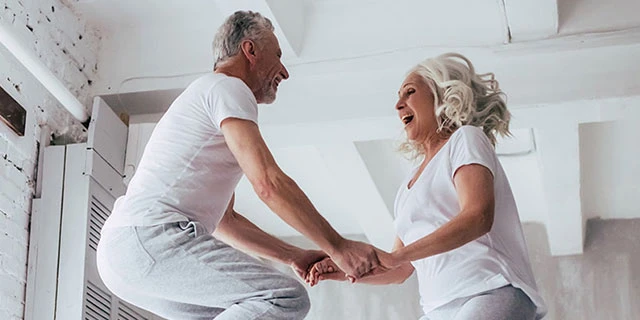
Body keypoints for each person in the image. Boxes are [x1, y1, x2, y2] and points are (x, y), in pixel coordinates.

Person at [96, 10, 382, 320]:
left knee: (237, 309)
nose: (284, 72)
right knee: (284, 298)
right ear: (250, 50)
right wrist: (338, 246)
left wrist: (294, 256)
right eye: (278, 55)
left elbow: (226, 221)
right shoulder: (227, 88)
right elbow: (269, 184)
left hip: (124, 256)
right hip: (151, 237)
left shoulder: (210, 98)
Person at [307, 53, 547, 320]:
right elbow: (400, 269)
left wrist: (396, 257)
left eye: (409, 92)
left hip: (489, 289)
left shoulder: (465, 139)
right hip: (436, 309)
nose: (399, 105)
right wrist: (345, 270)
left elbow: (477, 217)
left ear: (442, 95)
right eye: (399, 98)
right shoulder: (407, 189)